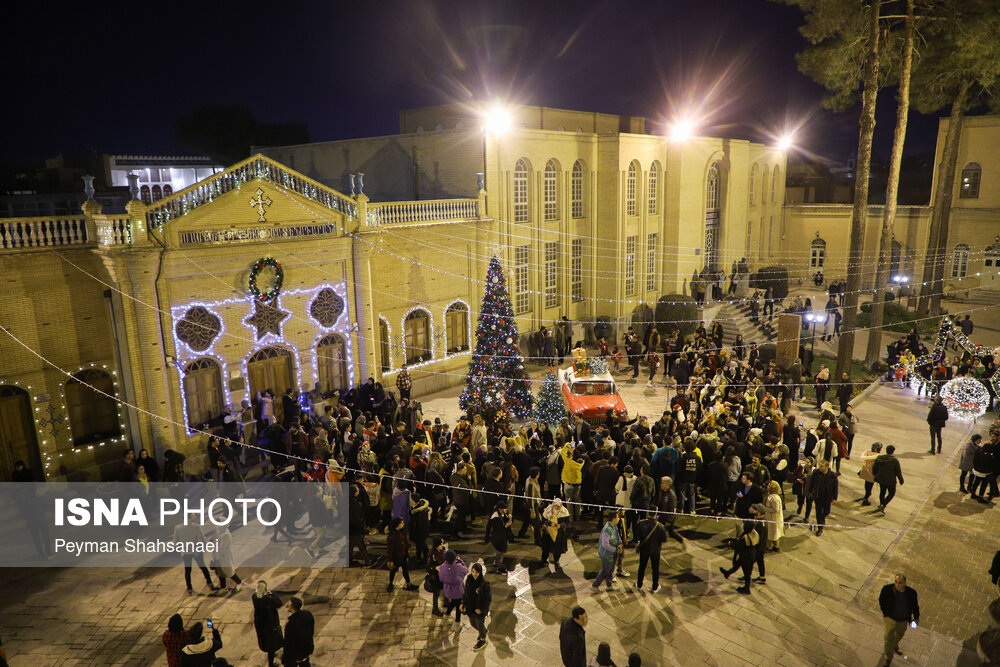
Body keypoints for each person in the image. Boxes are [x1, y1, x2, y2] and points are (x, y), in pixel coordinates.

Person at [878, 574, 919, 666]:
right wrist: (886, 613)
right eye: (896, 582)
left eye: (900, 583)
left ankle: (894, 644)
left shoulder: (911, 593)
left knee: (900, 634)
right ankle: (888, 658)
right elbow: (881, 601)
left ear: (905, 583)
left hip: (903, 620)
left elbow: (915, 606)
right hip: (890, 618)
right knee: (888, 638)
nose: (897, 585)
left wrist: (916, 617)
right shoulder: (887, 589)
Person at [251, 582, 283, 667]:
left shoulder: (254, 597)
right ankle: (271, 664)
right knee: (271, 644)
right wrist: (271, 595)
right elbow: (279, 603)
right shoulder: (269, 599)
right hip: (269, 623)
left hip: (260, 623)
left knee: (264, 639)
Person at [634, 512, 667, 592]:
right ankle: (655, 586)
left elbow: (637, 535)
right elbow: (664, 539)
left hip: (644, 549)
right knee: (655, 568)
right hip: (655, 550)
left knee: (642, 567)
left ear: (648, 513)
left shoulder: (641, 523)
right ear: (656, 513)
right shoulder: (660, 526)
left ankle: (639, 584)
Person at [462, 563, 492, 650]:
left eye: (477, 572)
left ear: (480, 573)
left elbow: (488, 599)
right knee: (473, 623)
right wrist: (462, 603)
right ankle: (483, 631)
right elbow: (466, 592)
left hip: (479, 608)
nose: (474, 574)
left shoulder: (484, 584)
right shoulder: (469, 579)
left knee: (479, 623)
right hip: (470, 607)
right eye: (473, 571)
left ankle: (482, 640)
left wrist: (482, 610)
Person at [592, 512, 623, 590]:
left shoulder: (614, 526)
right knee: (605, 570)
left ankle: (609, 584)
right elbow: (605, 544)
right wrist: (615, 549)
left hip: (613, 553)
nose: (619, 519)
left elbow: (617, 535)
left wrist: (620, 543)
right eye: (617, 517)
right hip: (607, 554)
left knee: (611, 569)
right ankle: (595, 585)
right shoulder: (606, 529)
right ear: (614, 519)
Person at [386, 517, 419, 592]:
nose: (403, 524)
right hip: (396, 556)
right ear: (397, 525)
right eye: (401, 523)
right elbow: (389, 549)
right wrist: (390, 560)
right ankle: (390, 583)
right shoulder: (392, 535)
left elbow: (405, 543)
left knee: (405, 570)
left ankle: (408, 584)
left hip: (403, 555)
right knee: (393, 570)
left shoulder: (402, 532)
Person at [807, 459, 838, 536]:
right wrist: (810, 492)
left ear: (827, 467)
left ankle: (822, 518)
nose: (820, 468)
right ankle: (820, 528)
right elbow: (812, 482)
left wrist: (835, 498)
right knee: (818, 513)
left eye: (821, 466)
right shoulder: (816, 472)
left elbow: (835, 487)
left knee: (826, 512)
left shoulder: (833, 475)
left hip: (827, 498)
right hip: (818, 497)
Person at [281, 597, 314, 667]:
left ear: (292, 607)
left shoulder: (291, 624)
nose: (287, 606)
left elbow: (288, 644)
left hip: (296, 654)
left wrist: (284, 658)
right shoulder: (307, 614)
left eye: (289, 605)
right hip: (307, 649)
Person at [438, 549, 468, 622]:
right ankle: (457, 619)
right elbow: (465, 570)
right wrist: (460, 561)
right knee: (458, 604)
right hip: (457, 590)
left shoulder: (443, 566)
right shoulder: (457, 566)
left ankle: (448, 612)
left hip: (448, 590)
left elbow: (441, 577)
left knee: (454, 601)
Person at [872, 445, 904, 513]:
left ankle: (881, 505)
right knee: (891, 493)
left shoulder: (880, 458)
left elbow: (874, 468)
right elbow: (898, 472)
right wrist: (901, 480)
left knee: (882, 492)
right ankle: (883, 505)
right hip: (890, 480)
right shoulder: (894, 460)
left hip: (881, 478)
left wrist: (875, 474)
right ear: (893, 451)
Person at [486, 501, 513, 574]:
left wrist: (509, 517)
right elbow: (498, 529)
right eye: (504, 508)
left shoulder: (502, 514)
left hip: (502, 537)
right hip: (498, 538)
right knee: (500, 552)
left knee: (500, 552)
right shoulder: (496, 518)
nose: (506, 510)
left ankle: (497, 562)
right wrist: (507, 525)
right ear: (500, 509)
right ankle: (500, 568)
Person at [763, 480, 784, 552]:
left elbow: (775, 509)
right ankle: (776, 546)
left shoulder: (775, 498)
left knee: (771, 533)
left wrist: (765, 508)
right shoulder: (771, 495)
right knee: (774, 533)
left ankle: (770, 547)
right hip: (771, 518)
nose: (768, 486)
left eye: (769, 485)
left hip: (774, 519)